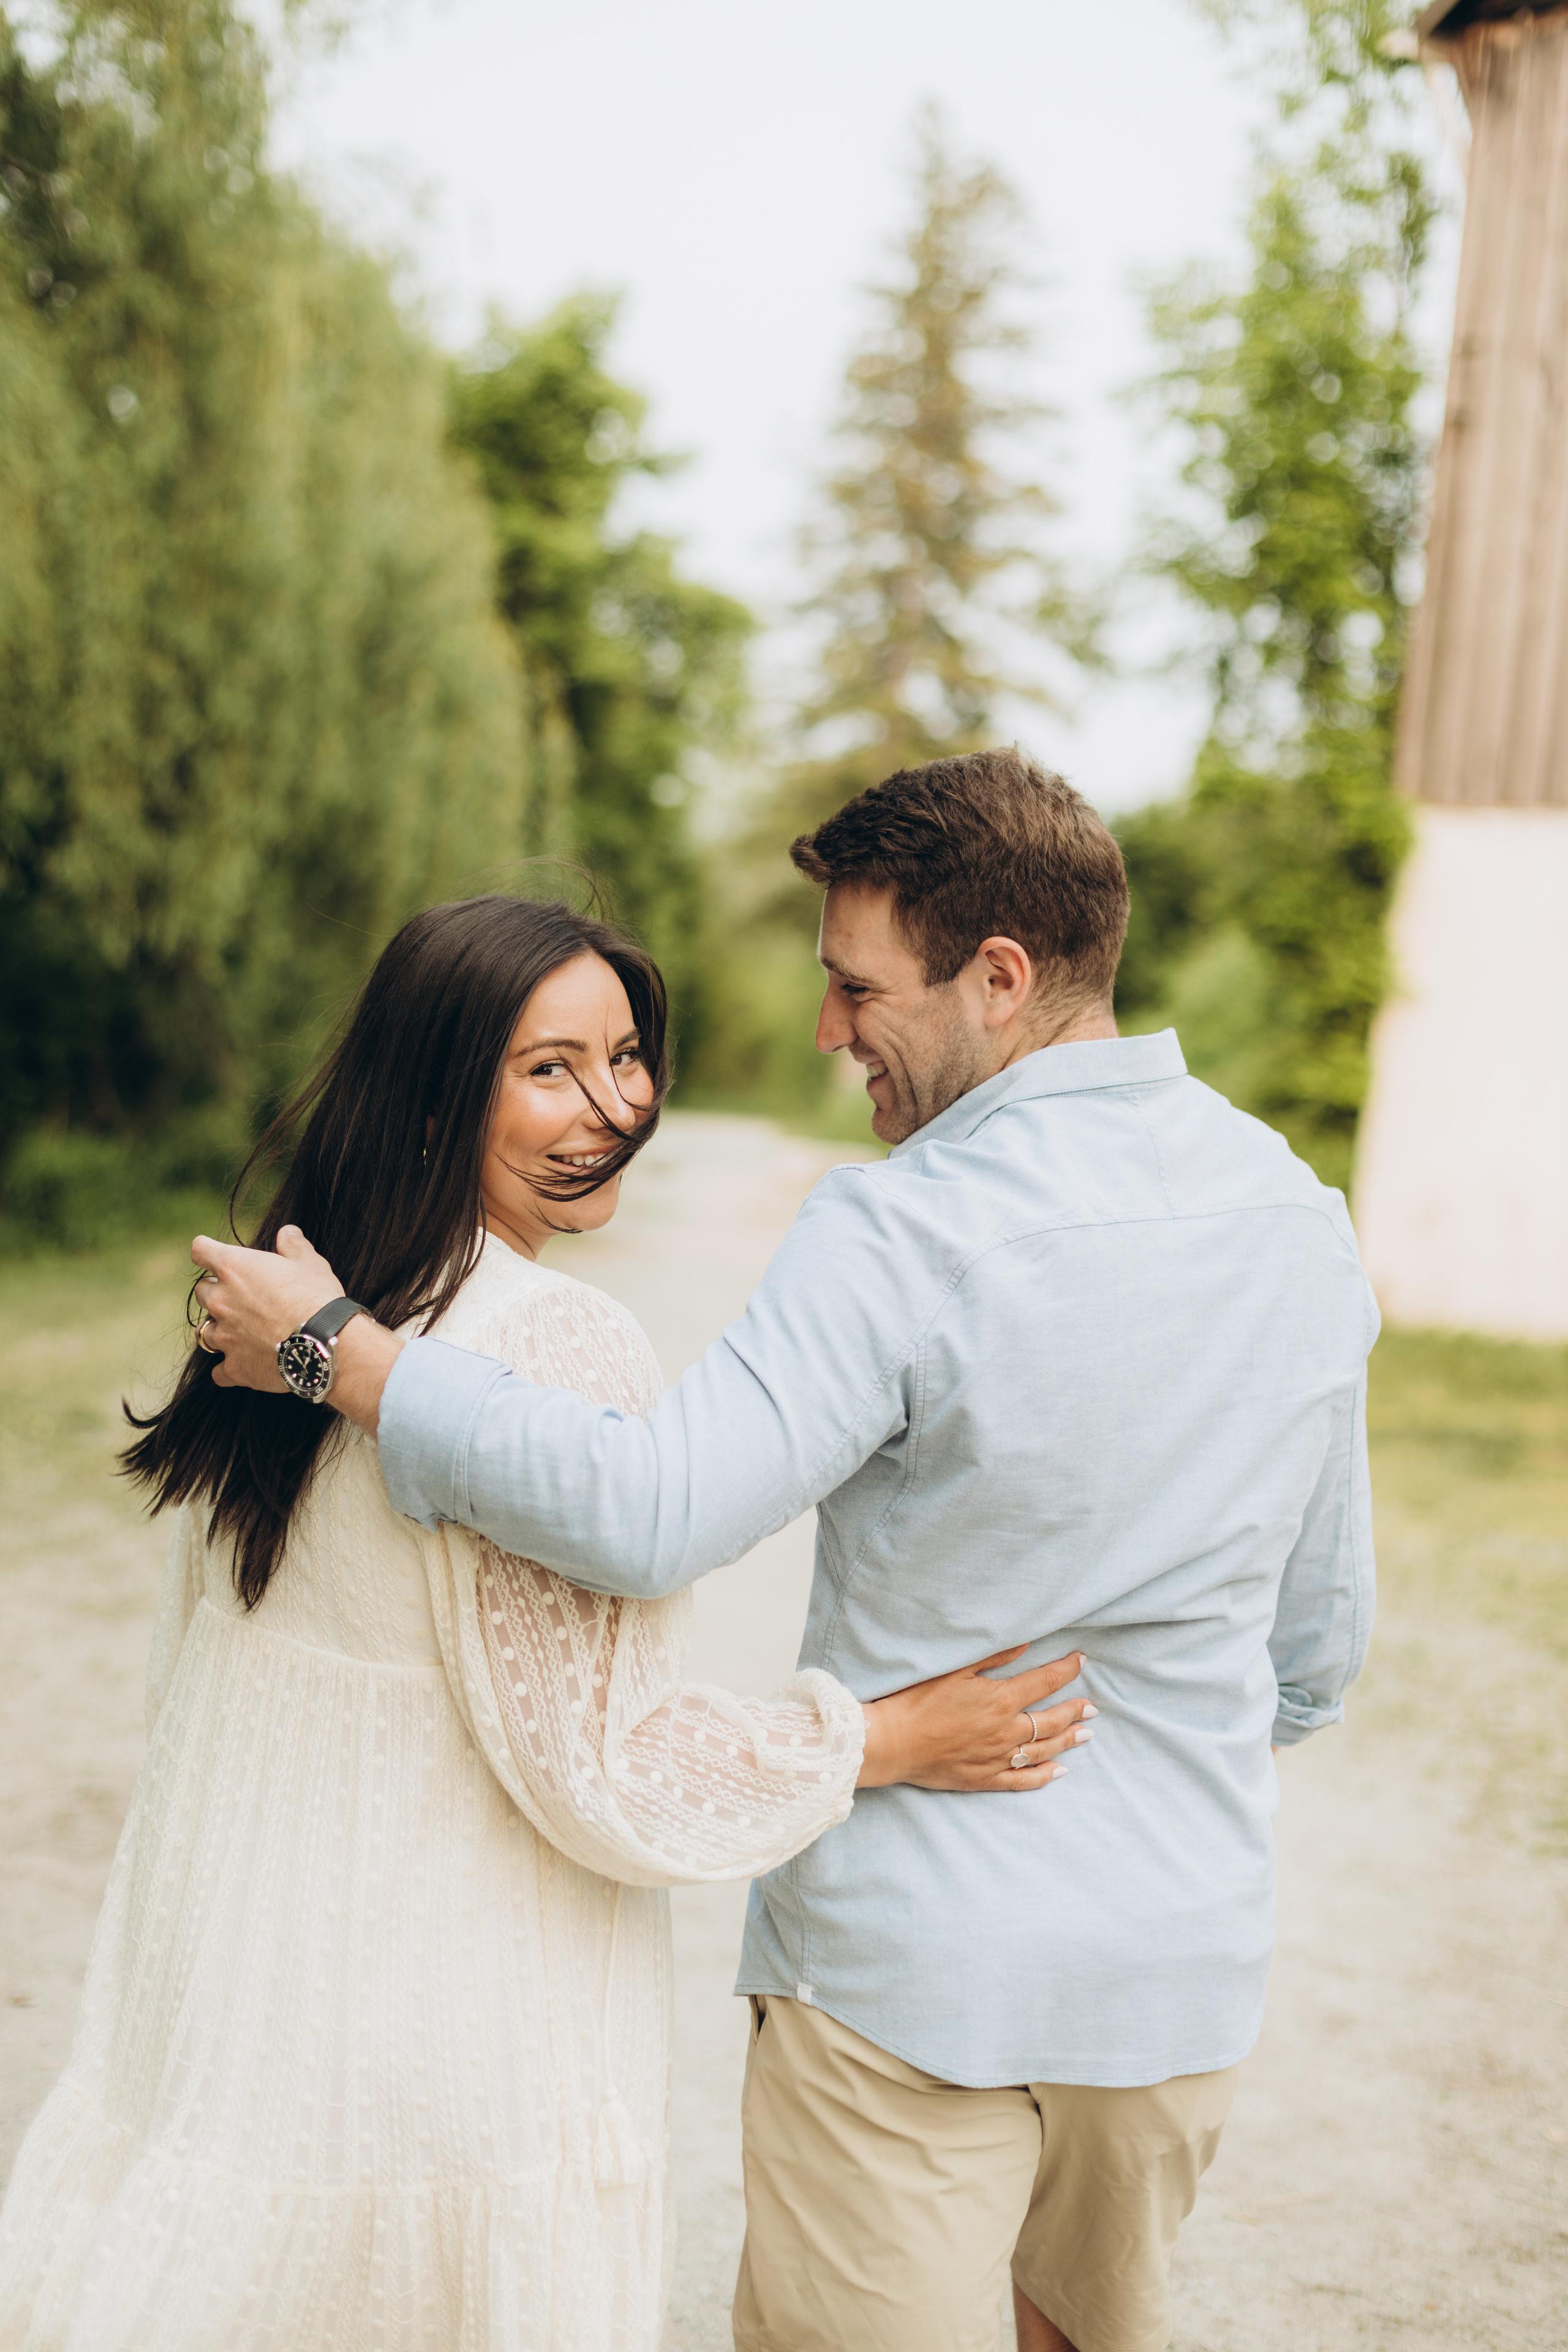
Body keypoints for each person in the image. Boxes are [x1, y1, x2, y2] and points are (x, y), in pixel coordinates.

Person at [188, 748, 1379, 2352]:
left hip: (907, 1992)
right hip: (1174, 1990)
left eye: (856, 987)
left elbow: (651, 1511)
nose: (829, 1035)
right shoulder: (1299, 1218)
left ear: (1002, 978)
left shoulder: (904, 1229)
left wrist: (350, 1357)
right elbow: (1313, 1659)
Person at [0, 892, 1093, 2352]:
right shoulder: (543, 1339)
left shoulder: (294, 1307)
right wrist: (881, 1737)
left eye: (626, 1058)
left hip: (249, 2013)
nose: (613, 1110)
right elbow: (613, 1772)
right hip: (442, 2033)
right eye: (549, 1070)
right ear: (438, 1084)